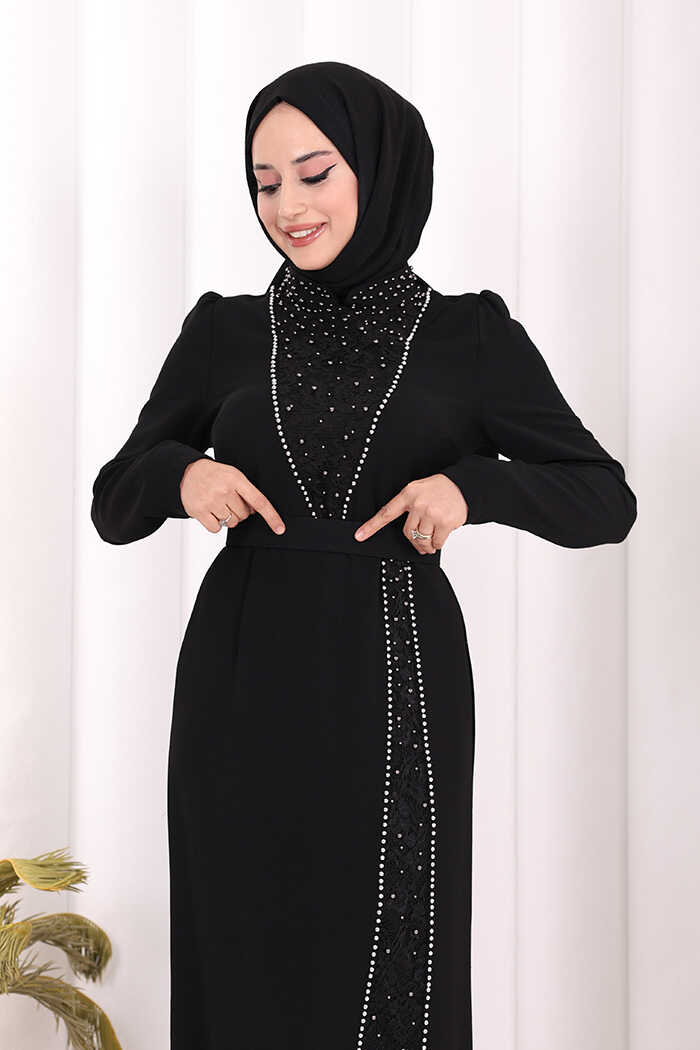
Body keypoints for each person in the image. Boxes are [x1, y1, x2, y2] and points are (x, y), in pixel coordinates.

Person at [90, 60, 637, 1050]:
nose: (288, 207)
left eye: (314, 173)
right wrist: (180, 474)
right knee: (240, 939)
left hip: (397, 683)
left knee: (389, 947)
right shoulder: (225, 330)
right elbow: (113, 500)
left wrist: (473, 488)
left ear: (379, 171)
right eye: (265, 183)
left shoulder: (467, 334)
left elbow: (604, 498)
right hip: (239, 681)